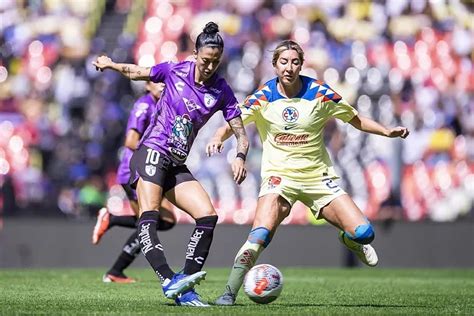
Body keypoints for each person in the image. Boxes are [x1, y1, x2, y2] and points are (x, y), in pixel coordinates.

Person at [206, 40, 410, 305]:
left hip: (318, 178)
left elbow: (355, 119)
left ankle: (350, 240)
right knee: (259, 236)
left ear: (301, 65)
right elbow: (234, 121)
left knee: (364, 234)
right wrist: (219, 136)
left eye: (294, 62)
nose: (289, 67)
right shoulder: (263, 97)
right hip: (278, 178)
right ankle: (229, 293)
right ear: (275, 65)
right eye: (283, 62)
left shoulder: (320, 93)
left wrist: (386, 130)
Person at [93, 22, 249, 306]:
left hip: (176, 163)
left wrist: (240, 155)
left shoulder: (222, 90)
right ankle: (167, 279)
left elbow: (240, 132)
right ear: (195, 53)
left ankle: (185, 286)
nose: (210, 66)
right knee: (150, 214)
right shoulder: (174, 70)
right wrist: (111, 64)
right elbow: (137, 72)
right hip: (152, 151)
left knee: (207, 216)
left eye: (216, 61)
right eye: (205, 60)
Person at [92, 81, 177, 284]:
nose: (163, 85)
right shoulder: (144, 105)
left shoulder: (161, 104)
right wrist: (155, 149)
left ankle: (112, 223)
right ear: (147, 85)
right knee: (153, 222)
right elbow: (130, 141)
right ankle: (115, 271)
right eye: (158, 82)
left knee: (161, 221)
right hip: (134, 171)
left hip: (147, 169)